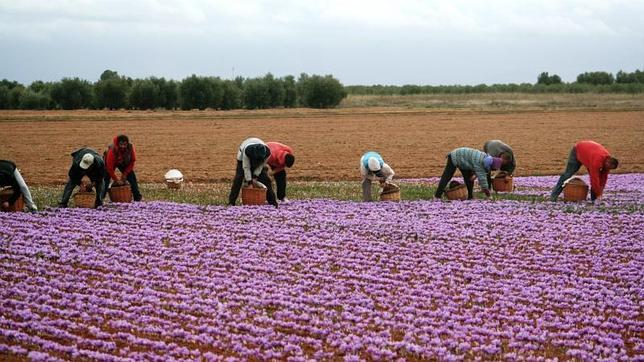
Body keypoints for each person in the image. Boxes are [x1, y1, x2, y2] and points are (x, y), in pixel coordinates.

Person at [550, 140, 618, 202]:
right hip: (578, 150)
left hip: (588, 155)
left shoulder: (608, 162)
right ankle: (553, 196)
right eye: (608, 168)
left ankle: (594, 200)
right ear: (607, 163)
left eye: (610, 169)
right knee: (567, 174)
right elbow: (594, 179)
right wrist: (598, 194)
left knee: (598, 181)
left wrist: (600, 192)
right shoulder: (597, 162)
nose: (608, 170)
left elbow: (604, 178)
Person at [434, 147, 509, 200]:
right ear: (491, 166)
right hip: (456, 156)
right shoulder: (481, 164)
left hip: (465, 160)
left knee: (469, 178)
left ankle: (470, 197)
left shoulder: (486, 158)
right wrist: (489, 196)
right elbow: (483, 181)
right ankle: (437, 196)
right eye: (493, 169)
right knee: (447, 176)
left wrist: (475, 175)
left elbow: (478, 170)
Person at [228, 137, 278, 207]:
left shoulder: (267, 153)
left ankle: (273, 203)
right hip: (242, 159)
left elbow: (261, 165)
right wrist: (249, 182)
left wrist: (255, 176)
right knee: (238, 178)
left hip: (259, 160)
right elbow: (246, 167)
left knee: (265, 179)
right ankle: (231, 202)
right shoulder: (247, 151)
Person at [100, 134, 142, 202]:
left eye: (125, 144)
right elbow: (109, 168)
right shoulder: (112, 150)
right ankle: (100, 198)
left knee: (132, 177)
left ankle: (137, 197)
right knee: (106, 178)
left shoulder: (130, 147)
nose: (123, 146)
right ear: (117, 144)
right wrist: (116, 180)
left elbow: (132, 161)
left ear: (127, 144)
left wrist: (125, 174)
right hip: (111, 162)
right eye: (121, 144)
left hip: (123, 162)